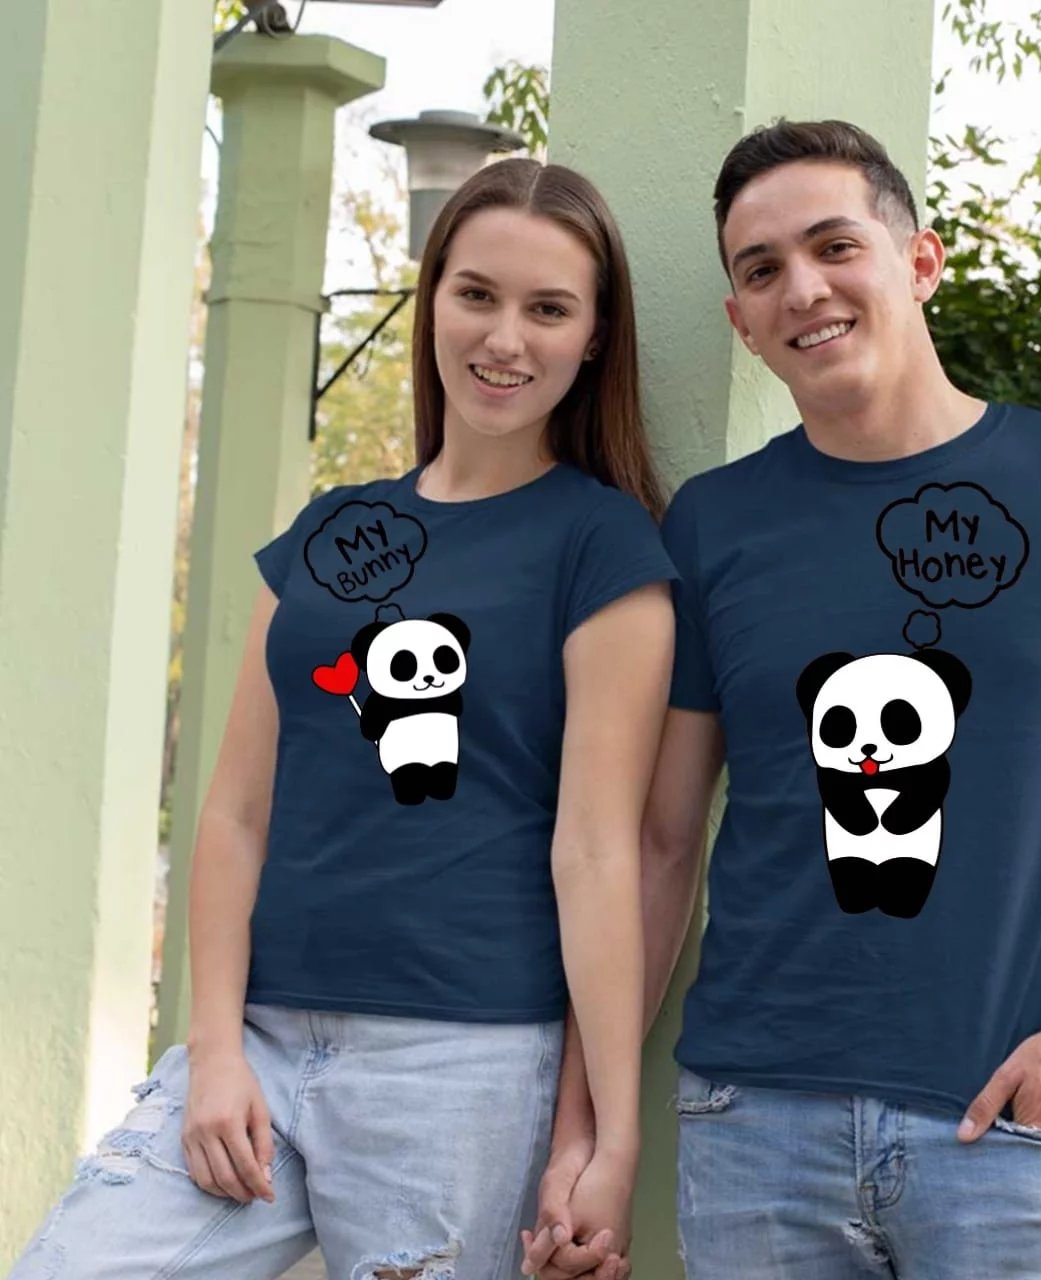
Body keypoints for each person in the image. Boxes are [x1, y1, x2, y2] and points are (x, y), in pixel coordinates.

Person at [523, 120, 1041, 1280]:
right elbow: (656, 846)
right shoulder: (710, 525)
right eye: (761, 270)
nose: (801, 287)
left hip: (1010, 1121)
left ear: (918, 260)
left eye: (833, 245)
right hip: (754, 1130)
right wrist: (582, 1133)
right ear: (742, 322)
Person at [10, 157, 675, 1280]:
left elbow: (599, 852)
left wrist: (605, 1139)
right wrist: (213, 1046)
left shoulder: (604, 546)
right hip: (258, 1042)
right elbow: (235, 813)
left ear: (594, 336)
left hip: (461, 1060)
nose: (504, 338)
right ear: (432, 300)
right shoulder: (326, 535)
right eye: (476, 294)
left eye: (547, 309)